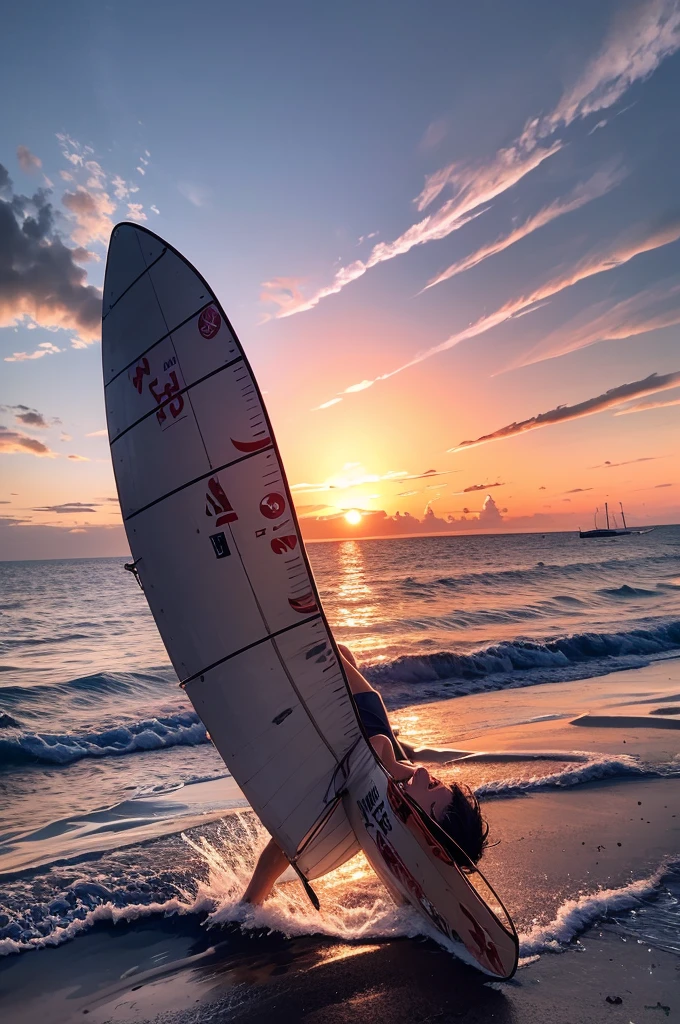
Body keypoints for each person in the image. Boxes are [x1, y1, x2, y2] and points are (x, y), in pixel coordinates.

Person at [242, 644, 489, 904]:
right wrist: (394, 765)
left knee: (290, 840)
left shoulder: (404, 815)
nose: (426, 774)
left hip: (360, 732)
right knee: (336, 655)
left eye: (429, 789)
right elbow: (379, 744)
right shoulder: (404, 782)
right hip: (363, 720)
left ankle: (252, 898)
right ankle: (251, 900)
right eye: (435, 782)